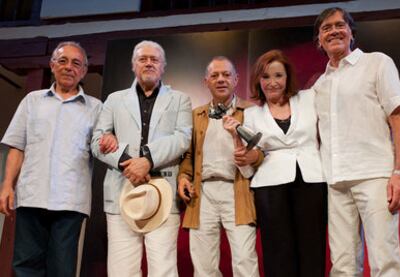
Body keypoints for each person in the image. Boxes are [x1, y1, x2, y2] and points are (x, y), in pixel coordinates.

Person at [313, 7, 400, 276]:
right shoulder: (320, 85)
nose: (333, 31)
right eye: (326, 28)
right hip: (335, 182)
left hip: (375, 177)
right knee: (342, 266)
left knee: (385, 262)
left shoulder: (377, 63)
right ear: (318, 40)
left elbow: (399, 117)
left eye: (339, 25)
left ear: (351, 33)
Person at [0, 41, 102, 276]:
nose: (69, 67)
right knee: (25, 265)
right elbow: (17, 145)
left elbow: (101, 149)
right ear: (52, 65)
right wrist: (7, 185)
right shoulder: (32, 101)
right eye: (63, 61)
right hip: (31, 195)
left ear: (84, 70)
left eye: (76, 63)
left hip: (70, 200)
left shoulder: (96, 108)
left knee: (62, 268)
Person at [91, 40, 192, 277]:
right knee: (121, 271)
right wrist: (129, 161)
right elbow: (97, 141)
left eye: (154, 59)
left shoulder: (179, 99)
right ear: (133, 65)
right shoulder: (115, 100)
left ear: (163, 66)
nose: (148, 63)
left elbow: (183, 138)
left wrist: (146, 160)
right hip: (120, 190)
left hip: (163, 191)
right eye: (142, 59)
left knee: (163, 270)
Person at [224, 50, 327, 276]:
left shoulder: (309, 98)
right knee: (277, 250)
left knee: (312, 246)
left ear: (287, 77)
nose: (272, 83)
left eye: (278, 75)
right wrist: (239, 148)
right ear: (258, 81)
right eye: (266, 77)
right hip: (270, 187)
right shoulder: (251, 115)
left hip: (312, 181)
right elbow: (246, 165)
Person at [177, 56, 261, 277]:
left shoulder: (251, 111)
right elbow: (186, 155)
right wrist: (183, 177)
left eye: (226, 74)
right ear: (206, 81)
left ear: (236, 79)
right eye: (215, 75)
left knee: (245, 259)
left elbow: (261, 154)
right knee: (204, 265)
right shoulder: (195, 115)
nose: (221, 79)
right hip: (202, 192)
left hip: (238, 190)